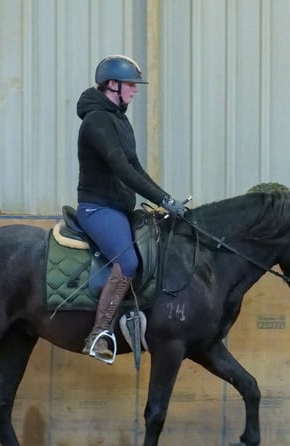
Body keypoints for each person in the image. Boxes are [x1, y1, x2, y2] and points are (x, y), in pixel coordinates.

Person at [75, 54, 186, 362]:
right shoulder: (97, 121)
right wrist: (164, 200)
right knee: (128, 263)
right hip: (99, 209)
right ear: (113, 85)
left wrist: (165, 199)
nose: (135, 90)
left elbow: (136, 166)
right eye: (130, 85)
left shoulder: (119, 119)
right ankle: (98, 334)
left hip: (120, 208)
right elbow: (122, 169)